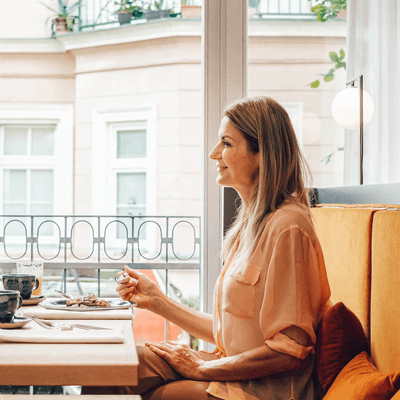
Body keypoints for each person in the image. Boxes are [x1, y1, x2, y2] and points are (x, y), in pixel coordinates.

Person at [82, 96, 331, 400]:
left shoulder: (288, 228)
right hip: (229, 369)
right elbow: (232, 333)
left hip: (261, 391)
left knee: (146, 390)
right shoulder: (252, 225)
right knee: (112, 367)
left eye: (226, 143)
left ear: (262, 153)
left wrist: (201, 369)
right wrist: (158, 301)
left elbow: (288, 352)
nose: (214, 154)